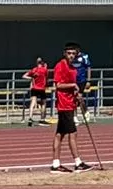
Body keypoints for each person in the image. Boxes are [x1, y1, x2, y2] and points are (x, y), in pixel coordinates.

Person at [50, 42, 89, 172]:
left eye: (73, 53)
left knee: (59, 135)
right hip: (64, 105)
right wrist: (73, 86)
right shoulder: (60, 66)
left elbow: (72, 86)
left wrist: (77, 94)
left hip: (70, 103)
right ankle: (78, 162)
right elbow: (58, 85)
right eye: (69, 53)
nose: (71, 56)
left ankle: (55, 164)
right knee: (72, 133)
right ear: (64, 53)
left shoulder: (73, 69)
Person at [26, 56, 50, 125]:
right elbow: (46, 77)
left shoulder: (34, 70)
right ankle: (42, 119)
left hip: (34, 88)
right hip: (41, 88)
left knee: (33, 102)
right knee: (44, 103)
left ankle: (30, 117)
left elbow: (24, 75)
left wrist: (31, 78)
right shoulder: (44, 70)